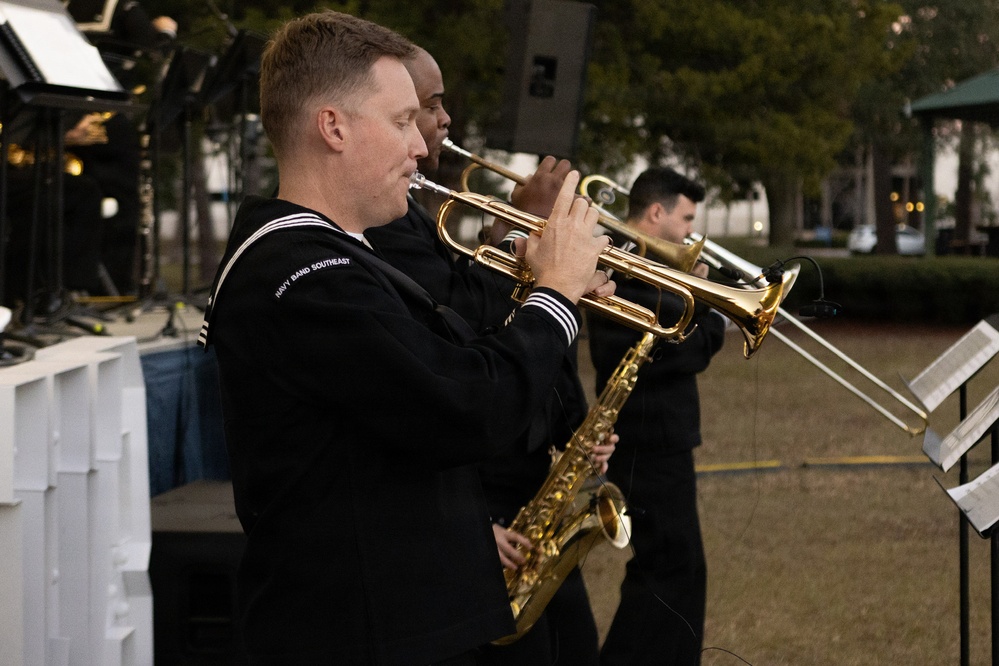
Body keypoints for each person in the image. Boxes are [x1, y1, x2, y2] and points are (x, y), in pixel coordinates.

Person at [198, 11, 614, 665]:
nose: (419, 147)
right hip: (362, 635)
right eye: (399, 122)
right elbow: (469, 406)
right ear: (332, 126)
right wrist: (555, 294)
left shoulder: (333, 257)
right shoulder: (308, 275)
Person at [366, 47, 606, 665]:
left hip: (507, 471)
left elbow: (467, 297)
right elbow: (463, 329)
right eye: (427, 106)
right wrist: (546, 270)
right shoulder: (381, 228)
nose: (444, 121)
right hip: (482, 487)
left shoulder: (414, 211)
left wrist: (526, 255)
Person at [587, 167, 726, 666]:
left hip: (663, 436)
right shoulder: (623, 267)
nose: (692, 229)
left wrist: (696, 305)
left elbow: (688, 343)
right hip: (645, 438)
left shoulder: (654, 269)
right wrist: (703, 303)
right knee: (670, 566)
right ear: (656, 212)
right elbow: (686, 349)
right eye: (687, 218)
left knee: (677, 566)